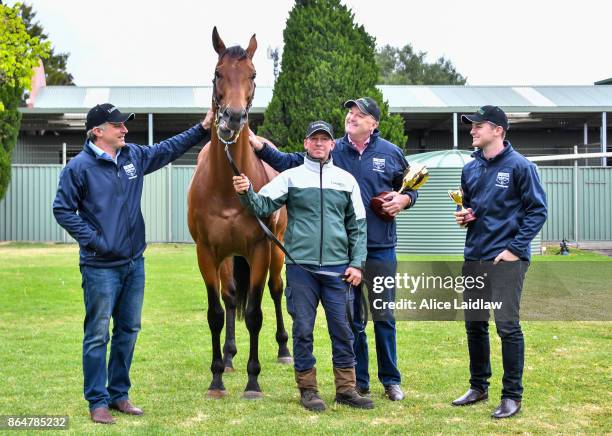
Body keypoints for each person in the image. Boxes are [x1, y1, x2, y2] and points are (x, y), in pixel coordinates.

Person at [53, 103, 213, 424]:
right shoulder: (78, 168)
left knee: (128, 330)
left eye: (125, 125)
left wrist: (203, 128)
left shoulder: (132, 157)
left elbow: (167, 149)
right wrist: (96, 241)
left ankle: (119, 395)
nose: (125, 130)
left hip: (133, 263)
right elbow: (63, 209)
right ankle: (97, 401)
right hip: (100, 267)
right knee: (98, 334)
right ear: (98, 131)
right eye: (118, 125)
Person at [249, 97, 418, 401]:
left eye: (359, 114)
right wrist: (261, 148)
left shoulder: (391, 153)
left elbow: (410, 186)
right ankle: (358, 382)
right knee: (352, 322)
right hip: (339, 255)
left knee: (383, 314)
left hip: (380, 246)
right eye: (350, 113)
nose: (351, 117)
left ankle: (391, 380)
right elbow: (292, 163)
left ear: (373, 123)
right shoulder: (332, 148)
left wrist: (406, 200)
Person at [233, 120, 373, 411]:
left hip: (339, 271)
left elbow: (358, 226)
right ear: (306, 144)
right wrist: (246, 191)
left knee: (343, 331)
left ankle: (346, 389)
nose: (319, 143)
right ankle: (308, 390)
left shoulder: (346, 180)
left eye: (325, 139)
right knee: (303, 330)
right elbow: (261, 206)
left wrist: (358, 265)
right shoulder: (290, 177)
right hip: (301, 271)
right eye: (314, 139)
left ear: (332, 145)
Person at [452, 105, 547, 418]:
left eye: (479, 126)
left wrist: (515, 249)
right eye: (472, 126)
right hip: (474, 257)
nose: (472, 130)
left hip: (506, 259)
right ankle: (478, 386)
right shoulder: (470, 168)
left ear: (498, 131)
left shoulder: (521, 167)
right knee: (475, 326)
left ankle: (511, 396)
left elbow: (537, 211)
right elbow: (471, 207)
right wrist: (464, 216)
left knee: (507, 327)